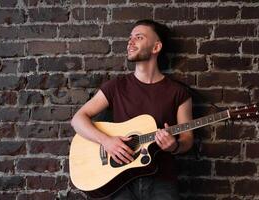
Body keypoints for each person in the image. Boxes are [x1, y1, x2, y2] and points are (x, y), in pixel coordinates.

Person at [71, 19, 194, 200]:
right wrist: (106, 141)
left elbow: (188, 139)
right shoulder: (117, 86)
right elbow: (78, 119)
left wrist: (174, 146)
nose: (131, 42)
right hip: (119, 179)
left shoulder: (179, 93)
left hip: (162, 180)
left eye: (139, 37)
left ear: (156, 47)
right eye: (130, 38)